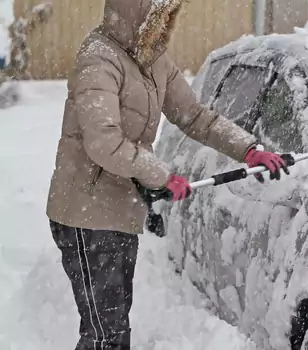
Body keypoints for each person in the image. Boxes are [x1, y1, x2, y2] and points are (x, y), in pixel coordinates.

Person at [46, 0, 289, 348]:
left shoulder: (154, 62)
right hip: (86, 213)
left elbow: (194, 116)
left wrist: (249, 149)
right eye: (159, 17)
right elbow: (103, 141)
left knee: (112, 327)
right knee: (105, 334)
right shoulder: (99, 58)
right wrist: (162, 175)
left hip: (119, 210)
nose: (164, 27)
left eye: (168, 19)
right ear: (139, 14)